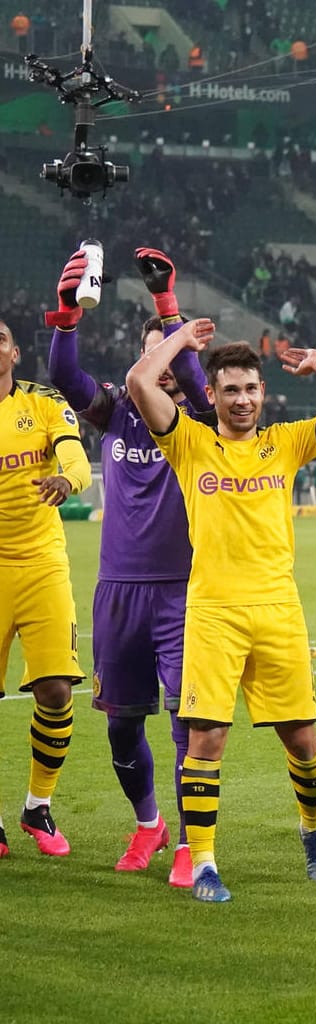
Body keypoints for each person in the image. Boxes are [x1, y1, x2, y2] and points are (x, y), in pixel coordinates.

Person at [128, 321, 316, 902]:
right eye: (231, 390)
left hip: (277, 609)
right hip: (212, 611)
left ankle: (313, 831)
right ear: (210, 395)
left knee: (302, 741)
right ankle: (207, 864)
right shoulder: (187, 442)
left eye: (251, 389)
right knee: (205, 740)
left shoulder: (286, 442)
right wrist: (181, 338)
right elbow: (140, 379)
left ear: (264, 393)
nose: (243, 400)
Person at [45, 245, 212, 886]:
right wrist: (66, 314)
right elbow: (65, 375)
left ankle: (188, 844)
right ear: (137, 365)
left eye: (171, 359)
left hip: (181, 592)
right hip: (117, 591)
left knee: (184, 724)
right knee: (121, 729)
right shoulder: (114, 414)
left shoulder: (197, 420)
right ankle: (149, 824)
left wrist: (168, 310)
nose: (163, 371)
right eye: (152, 357)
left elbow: (196, 382)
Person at [0, 316, 91, 859]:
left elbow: (74, 452)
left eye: (1, 339)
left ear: (13, 352)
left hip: (40, 563)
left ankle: (38, 804)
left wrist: (68, 479)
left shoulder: (42, 401)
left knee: (56, 689)